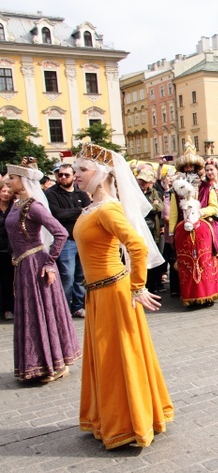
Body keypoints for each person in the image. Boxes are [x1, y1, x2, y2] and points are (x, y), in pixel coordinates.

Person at [72, 143, 172, 448]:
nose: (76, 176)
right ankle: (110, 416)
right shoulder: (91, 208)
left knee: (118, 359)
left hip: (115, 294)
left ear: (102, 174)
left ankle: (129, 422)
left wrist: (138, 286)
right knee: (107, 359)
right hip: (98, 294)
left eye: (82, 170)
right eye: (75, 170)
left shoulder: (108, 208)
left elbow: (137, 245)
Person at [5, 157, 81, 383]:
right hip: (22, 265)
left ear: (24, 181)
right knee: (30, 315)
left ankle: (52, 364)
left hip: (36, 266)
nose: (9, 182)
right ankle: (36, 363)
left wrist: (50, 261)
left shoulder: (34, 206)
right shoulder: (17, 204)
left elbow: (60, 232)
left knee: (41, 313)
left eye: (13, 178)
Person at [169, 141, 218, 307]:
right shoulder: (176, 190)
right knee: (187, 264)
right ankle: (191, 295)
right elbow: (173, 213)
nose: (189, 170)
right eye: (185, 168)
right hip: (184, 231)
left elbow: (214, 208)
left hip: (204, 230)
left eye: (191, 167)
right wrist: (171, 232)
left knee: (205, 262)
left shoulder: (207, 187)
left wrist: (200, 213)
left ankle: (208, 295)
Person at [45, 162, 90, 318]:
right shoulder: (52, 193)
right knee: (67, 276)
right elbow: (57, 214)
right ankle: (63, 307)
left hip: (82, 240)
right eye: (60, 174)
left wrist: (74, 212)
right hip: (65, 241)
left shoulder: (81, 194)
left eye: (66, 175)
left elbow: (89, 212)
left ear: (73, 176)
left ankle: (78, 306)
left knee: (81, 275)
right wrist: (79, 211)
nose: (62, 177)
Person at [136, 167, 165, 293]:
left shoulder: (154, 192)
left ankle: (153, 286)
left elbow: (160, 206)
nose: (142, 183)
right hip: (139, 229)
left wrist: (147, 206)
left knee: (153, 257)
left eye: (145, 181)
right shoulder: (134, 192)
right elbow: (134, 208)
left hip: (153, 229)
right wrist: (150, 206)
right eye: (141, 180)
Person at [0, 179, 15, 320]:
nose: (5, 194)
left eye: (9, 192)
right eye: (3, 191)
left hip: (8, 250)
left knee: (8, 282)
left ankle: (8, 309)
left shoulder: (14, 208)